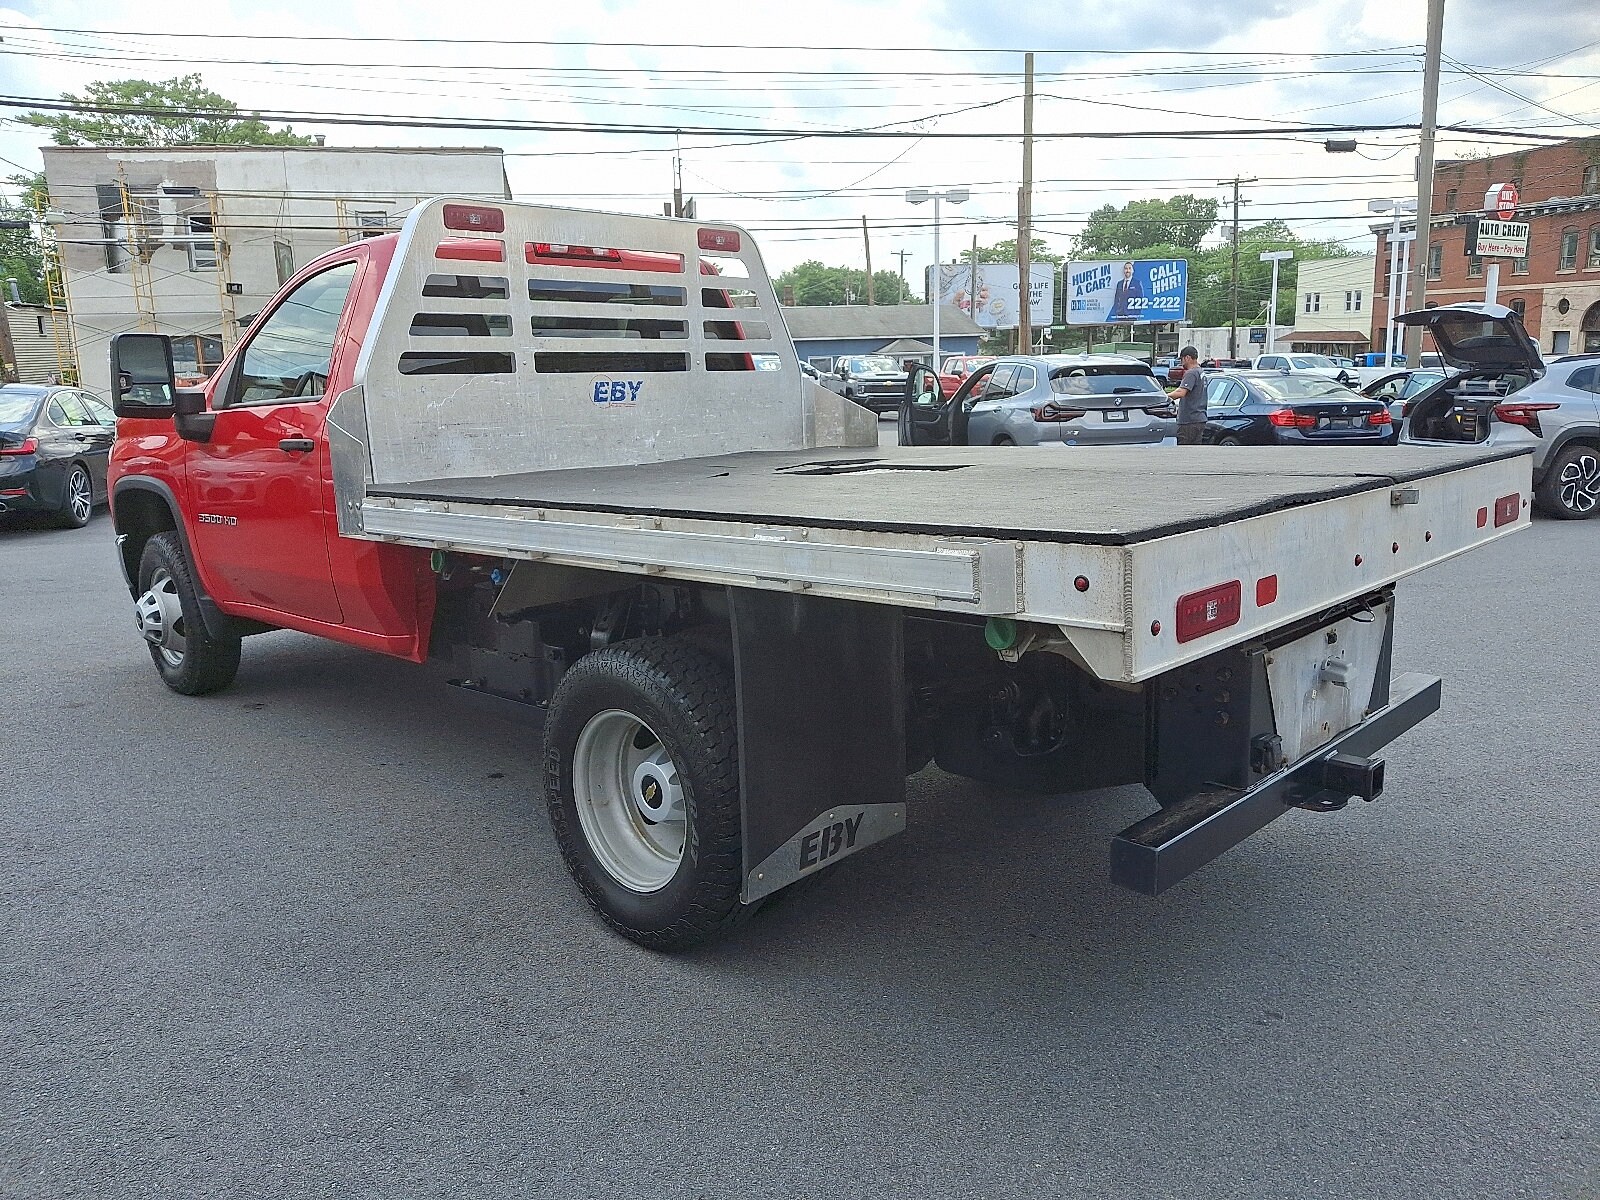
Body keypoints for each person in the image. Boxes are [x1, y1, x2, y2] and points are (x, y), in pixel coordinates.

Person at [1170, 345, 1208, 446]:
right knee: (1195, 451)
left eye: (1182, 359)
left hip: (1189, 421)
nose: (1181, 363)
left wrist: (1164, 396)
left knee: (1184, 452)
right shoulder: (1201, 372)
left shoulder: (1191, 373)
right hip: (1200, 419)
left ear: (1187, 358)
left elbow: (1181, 392)